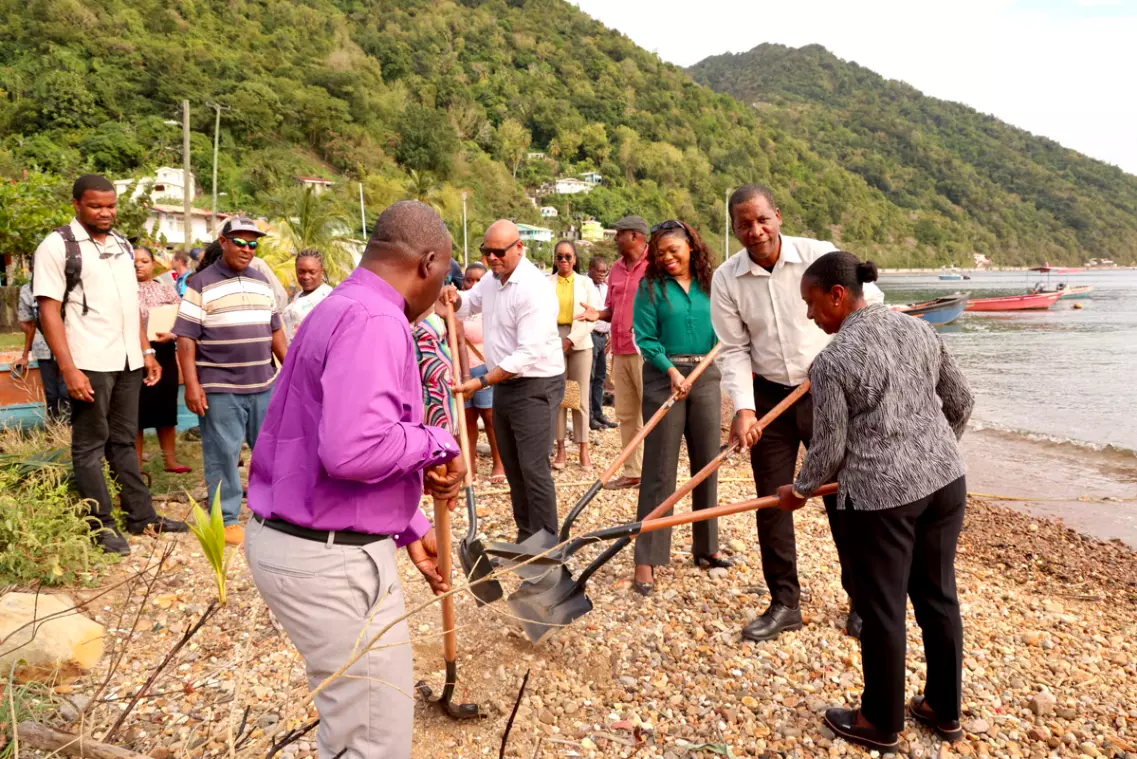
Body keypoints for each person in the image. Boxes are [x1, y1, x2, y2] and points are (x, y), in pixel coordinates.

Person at [245, 201, 465, 759]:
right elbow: (355, 449)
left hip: (310, 538)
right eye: (443, 277)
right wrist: (440, 443)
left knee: (353, 725)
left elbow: (318, 438)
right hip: (328, 560)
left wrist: (411, 526)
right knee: (372, 741)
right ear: (428, 262)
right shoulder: (376, 320)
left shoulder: (342, 304)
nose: (442, 291)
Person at [777, 251, 973, 751]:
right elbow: (962, 402)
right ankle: (944, 710)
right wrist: (931, 449)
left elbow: (828, 449)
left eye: (812, 303)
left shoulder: (833, 360)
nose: (810, 315)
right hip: (947, 482)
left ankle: (880, 722)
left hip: (883, 500)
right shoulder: (920, 330)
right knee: (938, 595)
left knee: (882, 606)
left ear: (838, 296)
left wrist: (797, 491)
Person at [711, 183, 859, 642]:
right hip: (771, 397)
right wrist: (744, 409)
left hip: (827, 391)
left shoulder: (821, 256)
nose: (755, 232)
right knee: (774, 500)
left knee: (844, 495)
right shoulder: (726, 278)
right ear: (734, 228)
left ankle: (861, 598)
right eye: (744, 224)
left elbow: (860, 318)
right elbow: (733, 350)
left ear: (778, 215)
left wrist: (841, 373)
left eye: (762, 220)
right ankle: (784, 602)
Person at [33, 174, 187, 555]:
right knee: (89, 445)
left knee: (124, 439)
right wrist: (69, 368)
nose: (106, 212)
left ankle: (141, 516)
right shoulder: (57, 247)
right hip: (89, 361)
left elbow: (129, 304)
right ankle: (100, 525)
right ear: (77, 205)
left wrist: (146, 353)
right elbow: (48, 311)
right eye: (96, 206)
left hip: (128, 360)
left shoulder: (120, 244)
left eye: (111, 205)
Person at [173, 217, 288, 546]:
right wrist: (193, 386)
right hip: (220, 387)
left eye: (253, 244)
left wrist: (291, 372)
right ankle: (226, 518)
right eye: (240, 241)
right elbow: (185, 340)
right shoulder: (201, 283)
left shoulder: (262, 282)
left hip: (263, 383)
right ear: (223, 242)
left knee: (268, 452)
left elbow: (275, 331)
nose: (247, 249)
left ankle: (270, 511)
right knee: (222, 453)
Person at [452, 220, 565, 542]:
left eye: (498, 252)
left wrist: (481, 382)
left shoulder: (534, 289)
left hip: (535, 385)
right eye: (486, 251)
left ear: (519, 248)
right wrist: (453, 296)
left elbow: (527, 355)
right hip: (504, 383)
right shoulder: (492, 278)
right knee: (514, 466)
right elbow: (467, 304)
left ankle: (546, 545)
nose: (491, 258)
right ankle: (527, 536)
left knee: (533, 467)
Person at [631, 220, 728, 595]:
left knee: (707, 464)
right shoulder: (651, 288)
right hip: (663, 376)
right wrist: (671, 371)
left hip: (706, 374)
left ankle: (707, 548)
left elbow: (726, 327)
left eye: (674, 250)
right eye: (661, 253)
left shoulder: (711, 285)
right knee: (660, 468)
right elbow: (645, 337)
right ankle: (647, 559)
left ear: (691, 247)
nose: (668, 258)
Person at [579, 215, 650, 489]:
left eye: (619, 234)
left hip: (647, 352)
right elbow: (613, 309)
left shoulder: (655, 266)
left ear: (635, 236)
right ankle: (634, 473)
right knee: (627, 413)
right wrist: (598, 314)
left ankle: (656, 472)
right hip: (619, 351)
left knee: (653, 413)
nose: (615, 239)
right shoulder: (617, 270)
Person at [133, 246, 190, 474]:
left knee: (166, 409)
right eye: (134, 261)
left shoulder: (166, 290)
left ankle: (170, 460)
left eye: (144, 260)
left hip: (164, 350)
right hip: (134, 354)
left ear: (153, 263)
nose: (139, 265)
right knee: (135, 410)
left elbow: (183, 319)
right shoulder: (122, 291)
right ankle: (135, 464)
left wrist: (173, 334)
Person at [549, 240, 598, 471]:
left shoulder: (586, 282)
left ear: (575, 259)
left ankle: (583, 448)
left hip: (580, 338)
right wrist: (557, 341)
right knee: (559, 396)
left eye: (568, 257)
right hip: (553, 338)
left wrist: (571, 339)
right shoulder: (546, 283)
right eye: (560, 257)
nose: (564, 261)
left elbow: (593, 316)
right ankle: (560, 448)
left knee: (580, 396)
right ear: (555, 259)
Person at [457, 263, 505, 484]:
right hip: (459, 371)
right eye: (469, 280)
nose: (473, 284)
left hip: (485, 369)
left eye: (478, 280)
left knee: (490, 419)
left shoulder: (491, 307)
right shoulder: (457, 306)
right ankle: (470, 463)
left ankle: (499, 462)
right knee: (467, 420)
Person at [15, 268, 69, 422]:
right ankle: (54, 429)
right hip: (43, 346)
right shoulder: (27, 290)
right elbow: (29, 324)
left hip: (69, 345)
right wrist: (25, 356)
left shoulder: (65, 284)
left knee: (66, 391)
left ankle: (69, 428)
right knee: (51, 393)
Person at [586, 254, 616, 431]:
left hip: (603, 336)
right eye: (599, 271)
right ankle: (589, 416)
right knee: (589, 378)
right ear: (590, 270)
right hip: (590, 335)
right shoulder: (585, 286)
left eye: (605, 272)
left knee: (600, 378)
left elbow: (611, 311)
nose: (602, 275)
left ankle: (598, 413)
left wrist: (611, 335)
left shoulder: (606, 288)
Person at [281, 249, 334, 341]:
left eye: (312, 272)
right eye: (301, 272)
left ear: (322, 271)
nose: (306, 276)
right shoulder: (299, 295)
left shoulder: (328, 298)